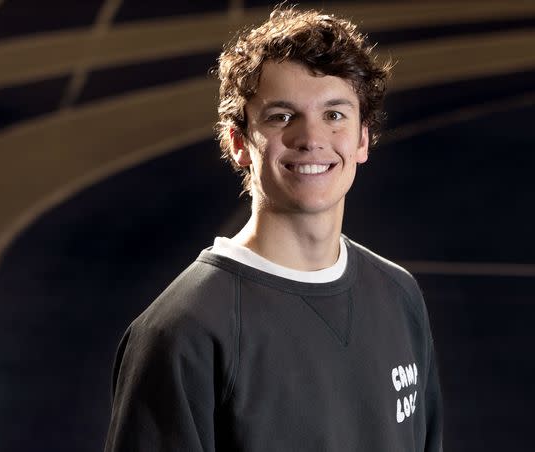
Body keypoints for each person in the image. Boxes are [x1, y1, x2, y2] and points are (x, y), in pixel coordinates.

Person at [104, 6, 443, 451]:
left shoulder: (399, 295)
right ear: (239, 142)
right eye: (282, 116)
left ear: (363, 138)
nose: (311, 138)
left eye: (335, 115)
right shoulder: (184, 331)